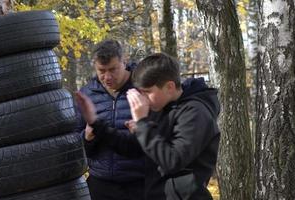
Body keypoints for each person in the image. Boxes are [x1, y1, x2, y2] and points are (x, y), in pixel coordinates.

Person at [76, 53, 220, 200]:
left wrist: (143, 126)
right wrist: (95, 123)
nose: (143, 99)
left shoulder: (196, 112)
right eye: (140, 93)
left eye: (147, 92)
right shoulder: (161, 108)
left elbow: (172, 161)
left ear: (169, 87)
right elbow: (132, 148)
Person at [74, 39, 145, 200]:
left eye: (113, 69)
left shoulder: (143, 88)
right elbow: (74, 143)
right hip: (101, 184)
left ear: (124, 61)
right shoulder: (86, 95)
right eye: (102, 70)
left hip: (140, 184)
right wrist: (86, 137)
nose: (107, 77)